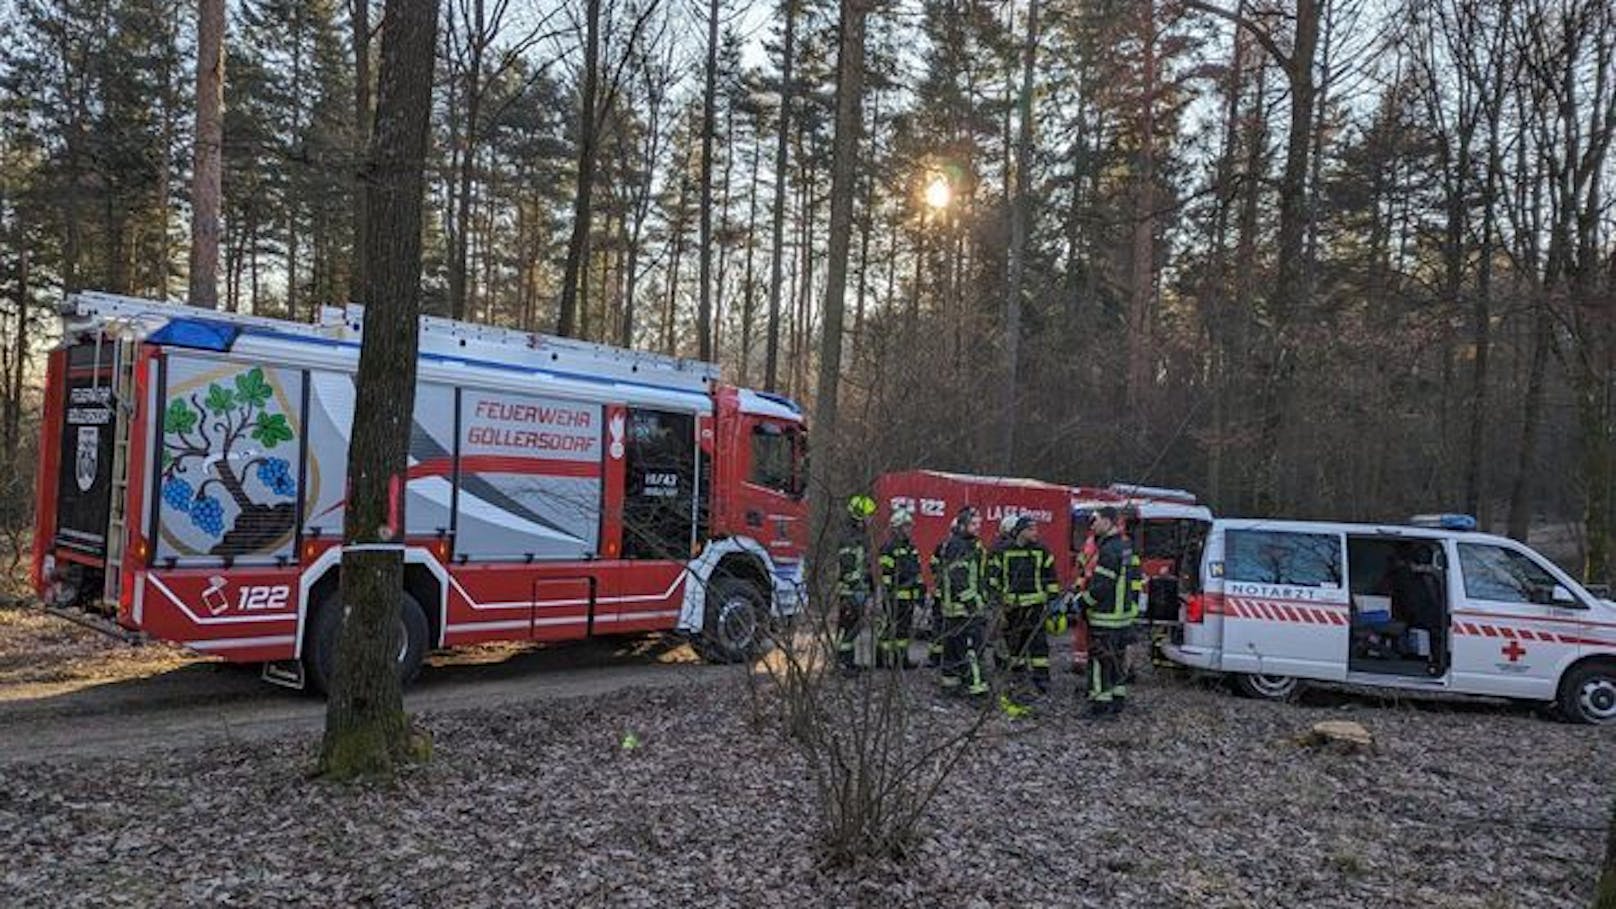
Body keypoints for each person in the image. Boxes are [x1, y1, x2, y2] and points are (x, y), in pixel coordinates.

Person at [988, 514, 1062, 715]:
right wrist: (997, 606)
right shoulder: (1003, 552)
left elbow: (1051, 578)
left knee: (1039, 646)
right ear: (1020, 531)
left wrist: (1054, 603)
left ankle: (1042, 680)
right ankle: (1018, 678)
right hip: (1012, 609)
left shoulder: (1042, 551)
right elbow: (993, 580)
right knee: (1015, 647)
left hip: (1036, 607)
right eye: (1031, 529)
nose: (1035, 533)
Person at [1078, 506, 1142, 718]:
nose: (1092, 525)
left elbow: (1102, 586)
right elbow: (1133, 580)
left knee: (1100, 662)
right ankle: (1117, 700)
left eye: (1095, 520)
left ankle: (1100, 706)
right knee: (1116, 662)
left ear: (1108, 521)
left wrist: (1082, 602)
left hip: (1105, 617)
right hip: (1122, 618)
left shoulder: (1108, 550)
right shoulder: (1125, 546)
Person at [934, 506, 990, 697]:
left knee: (953, 650)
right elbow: (959, 577)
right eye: (973, 524)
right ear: (963, 524)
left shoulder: (968, 544)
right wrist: (973, 603)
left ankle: (951, 686)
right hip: (964, 609)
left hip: (954, 609)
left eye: (979, 524)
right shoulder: (958, 545)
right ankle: (977, 690)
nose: (977, 528)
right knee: (971, 649)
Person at [876, 507, 924, 669]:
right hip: (895, 596)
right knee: (890, 628)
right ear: (897, 528)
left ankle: (901, 660)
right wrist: (888, 593)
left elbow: (916, 572)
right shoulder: (889, 548)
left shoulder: (911, 548)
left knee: (904, 631)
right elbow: (885, 574)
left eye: (910, 526)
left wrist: (920, 593)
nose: (909, 529)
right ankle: (881, 658)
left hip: (908, 597)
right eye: (906, 526)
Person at [835, 494, 877, 672]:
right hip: (850, 592)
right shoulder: (849, 537)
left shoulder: (860, 535)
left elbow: (863, 565)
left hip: (858, 589)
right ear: (860, 515)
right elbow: (848, 566)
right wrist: (857, 588)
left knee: (854, 626)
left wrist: (870, 583)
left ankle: (848, 661)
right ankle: (842, 663)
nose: (871, 518)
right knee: (848, 627)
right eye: (869, 515)